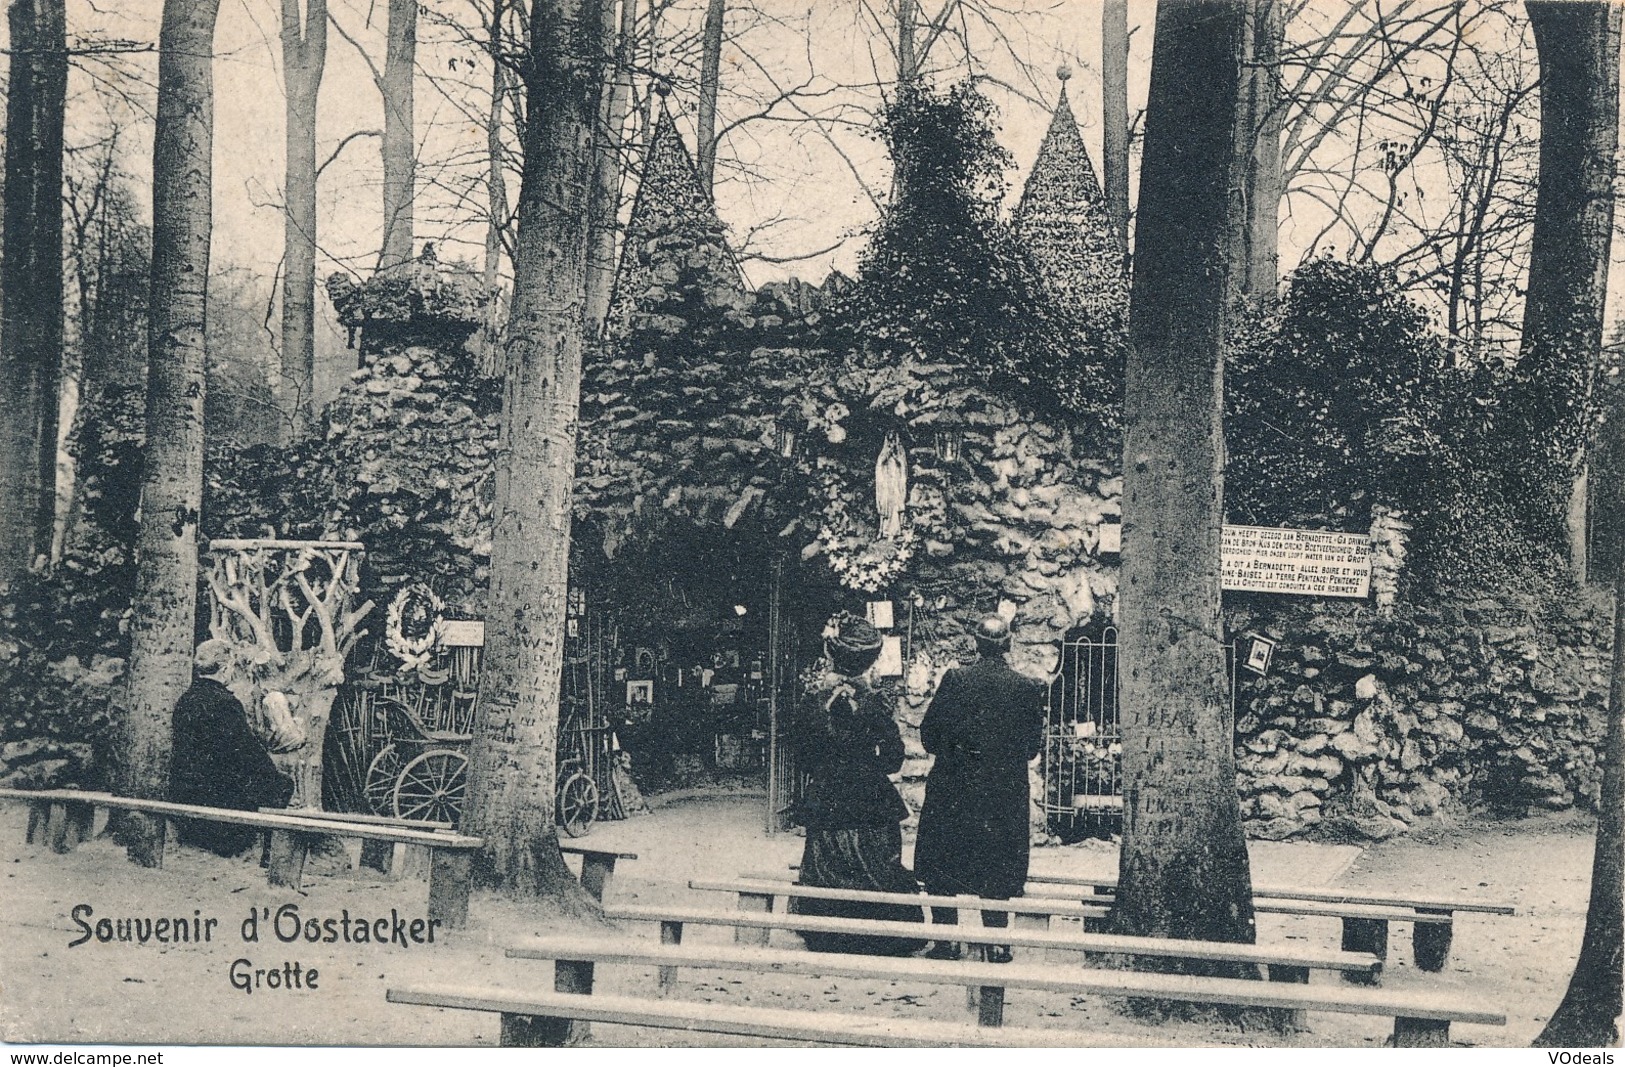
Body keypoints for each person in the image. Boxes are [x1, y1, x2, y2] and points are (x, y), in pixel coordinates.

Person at [789, 611, 925, 956]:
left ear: (833, 654)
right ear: (870, 660)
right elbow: (894, 757)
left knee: (826, 862)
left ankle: (828, 933)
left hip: (828, 795)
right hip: (870, 795)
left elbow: (802, 756)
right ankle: (878, 934)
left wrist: (829, 767)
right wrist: (867, 766)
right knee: (879, 862)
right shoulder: (878, 701)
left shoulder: (814, 700)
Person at [913, 614, 1046, 963]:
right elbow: (1032, 748)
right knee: (998, 865)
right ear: (1008, 645)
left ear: (976, 644)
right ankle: (997, 943)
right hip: (1002, 792)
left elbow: (928, 737)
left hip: (954, 789)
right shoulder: (1027, 688)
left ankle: (946, 941)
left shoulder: (955, 681)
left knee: (944, 862)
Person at [170, 639, 295, 856]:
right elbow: (248, 753)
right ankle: (267, 854)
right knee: (282, 784)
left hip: (184, 788)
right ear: (225, 668)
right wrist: (272, 773)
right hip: (214, 793)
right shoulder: (225, 703)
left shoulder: (185, 700)